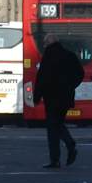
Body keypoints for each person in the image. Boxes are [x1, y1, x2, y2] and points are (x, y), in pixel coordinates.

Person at [34, 31, 82, 170]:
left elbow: (41, 78)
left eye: (44, 43)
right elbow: (80, 73)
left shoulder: (48, 56)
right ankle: (66, 149)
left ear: (49, 43)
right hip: (66, 97)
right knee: (57, 123)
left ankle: (59, 155)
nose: (43, 45)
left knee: (52, 127)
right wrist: (70, 86)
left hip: (52, 97)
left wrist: (37, 96)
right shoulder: (69, 55)